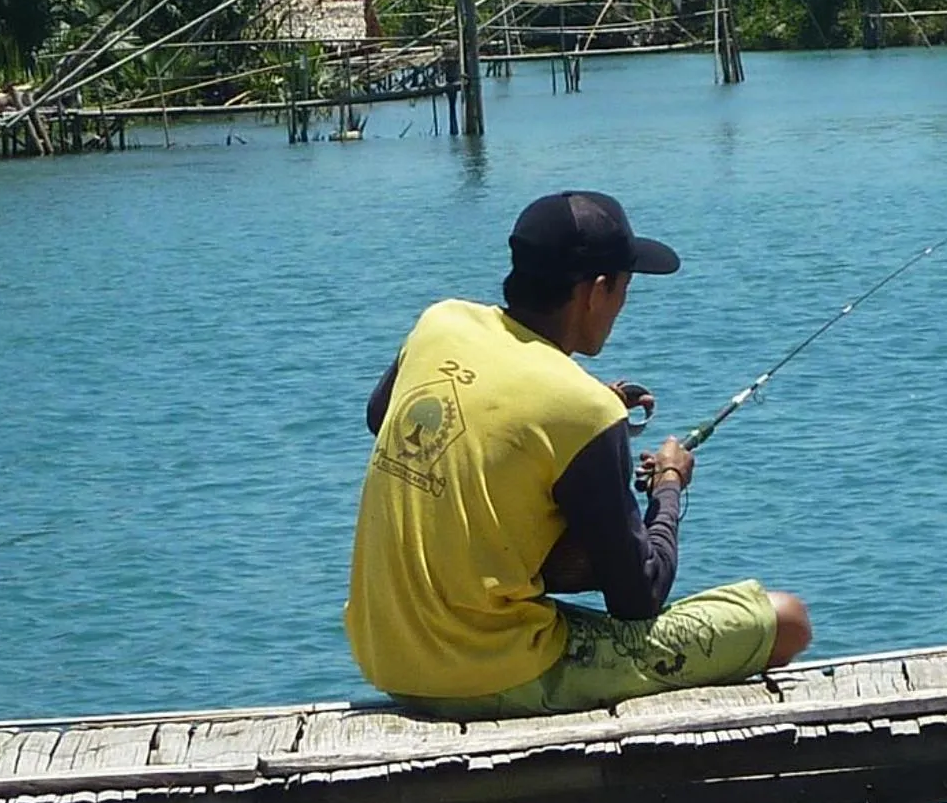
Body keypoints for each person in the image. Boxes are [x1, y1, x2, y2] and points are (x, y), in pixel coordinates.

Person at [345, 190, 811, 718]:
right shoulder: (583, 409)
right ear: (595, 291)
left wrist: (541, 431)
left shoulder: (441, 323)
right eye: (624, 289)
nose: (621, 305)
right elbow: (639, 598)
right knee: (787, 620)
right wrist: (669, 486)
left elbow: (383, 418)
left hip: (388, 656)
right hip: (488, 674)